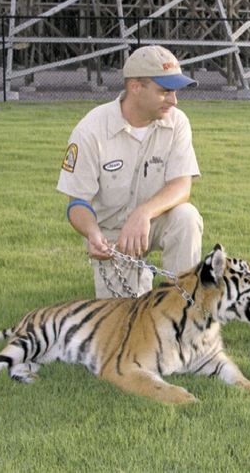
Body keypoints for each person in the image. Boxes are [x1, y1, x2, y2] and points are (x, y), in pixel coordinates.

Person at [57, 45, 203, 299]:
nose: (174, 100)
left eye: (175, 92)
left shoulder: (177, 121)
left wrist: (143, 214)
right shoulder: (90, 130)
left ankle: (182, 307)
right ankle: (139, 285)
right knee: (124, 324)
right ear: (135, 87)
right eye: (165, 91)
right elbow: (77, 202)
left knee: (186, 217)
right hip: (111, 237)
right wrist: (93, 234)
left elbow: (182, 186)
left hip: (155, 220)